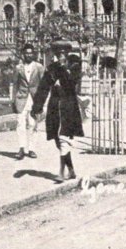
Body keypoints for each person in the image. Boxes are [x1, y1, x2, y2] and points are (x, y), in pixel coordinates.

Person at [31, 41, 85, 183]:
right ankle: (71, 170)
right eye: (58, 53)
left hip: (68, 106)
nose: (61, 56)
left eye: (63, 53)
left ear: (67, 53)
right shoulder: (51, 69)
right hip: (54, 107)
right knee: (57, 139)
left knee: (63, 139)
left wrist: (62, 72)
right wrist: (37, 107)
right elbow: (43, 88)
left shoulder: (74, 65)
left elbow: (71, 83)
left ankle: (61, 173)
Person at [9, 44, 44, 160]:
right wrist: (13, 100)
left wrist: (42, 101)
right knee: (20, 124)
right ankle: (21, 148)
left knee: (33, 125)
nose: (28, 55)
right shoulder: (19, 68)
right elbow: (14, 84)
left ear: (33, 54)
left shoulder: (39, 67)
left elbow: (44, 86)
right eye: (26, 53)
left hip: (34, 100)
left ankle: (32, 149)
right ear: (23, 54)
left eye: (30, 53)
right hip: (21, 99)